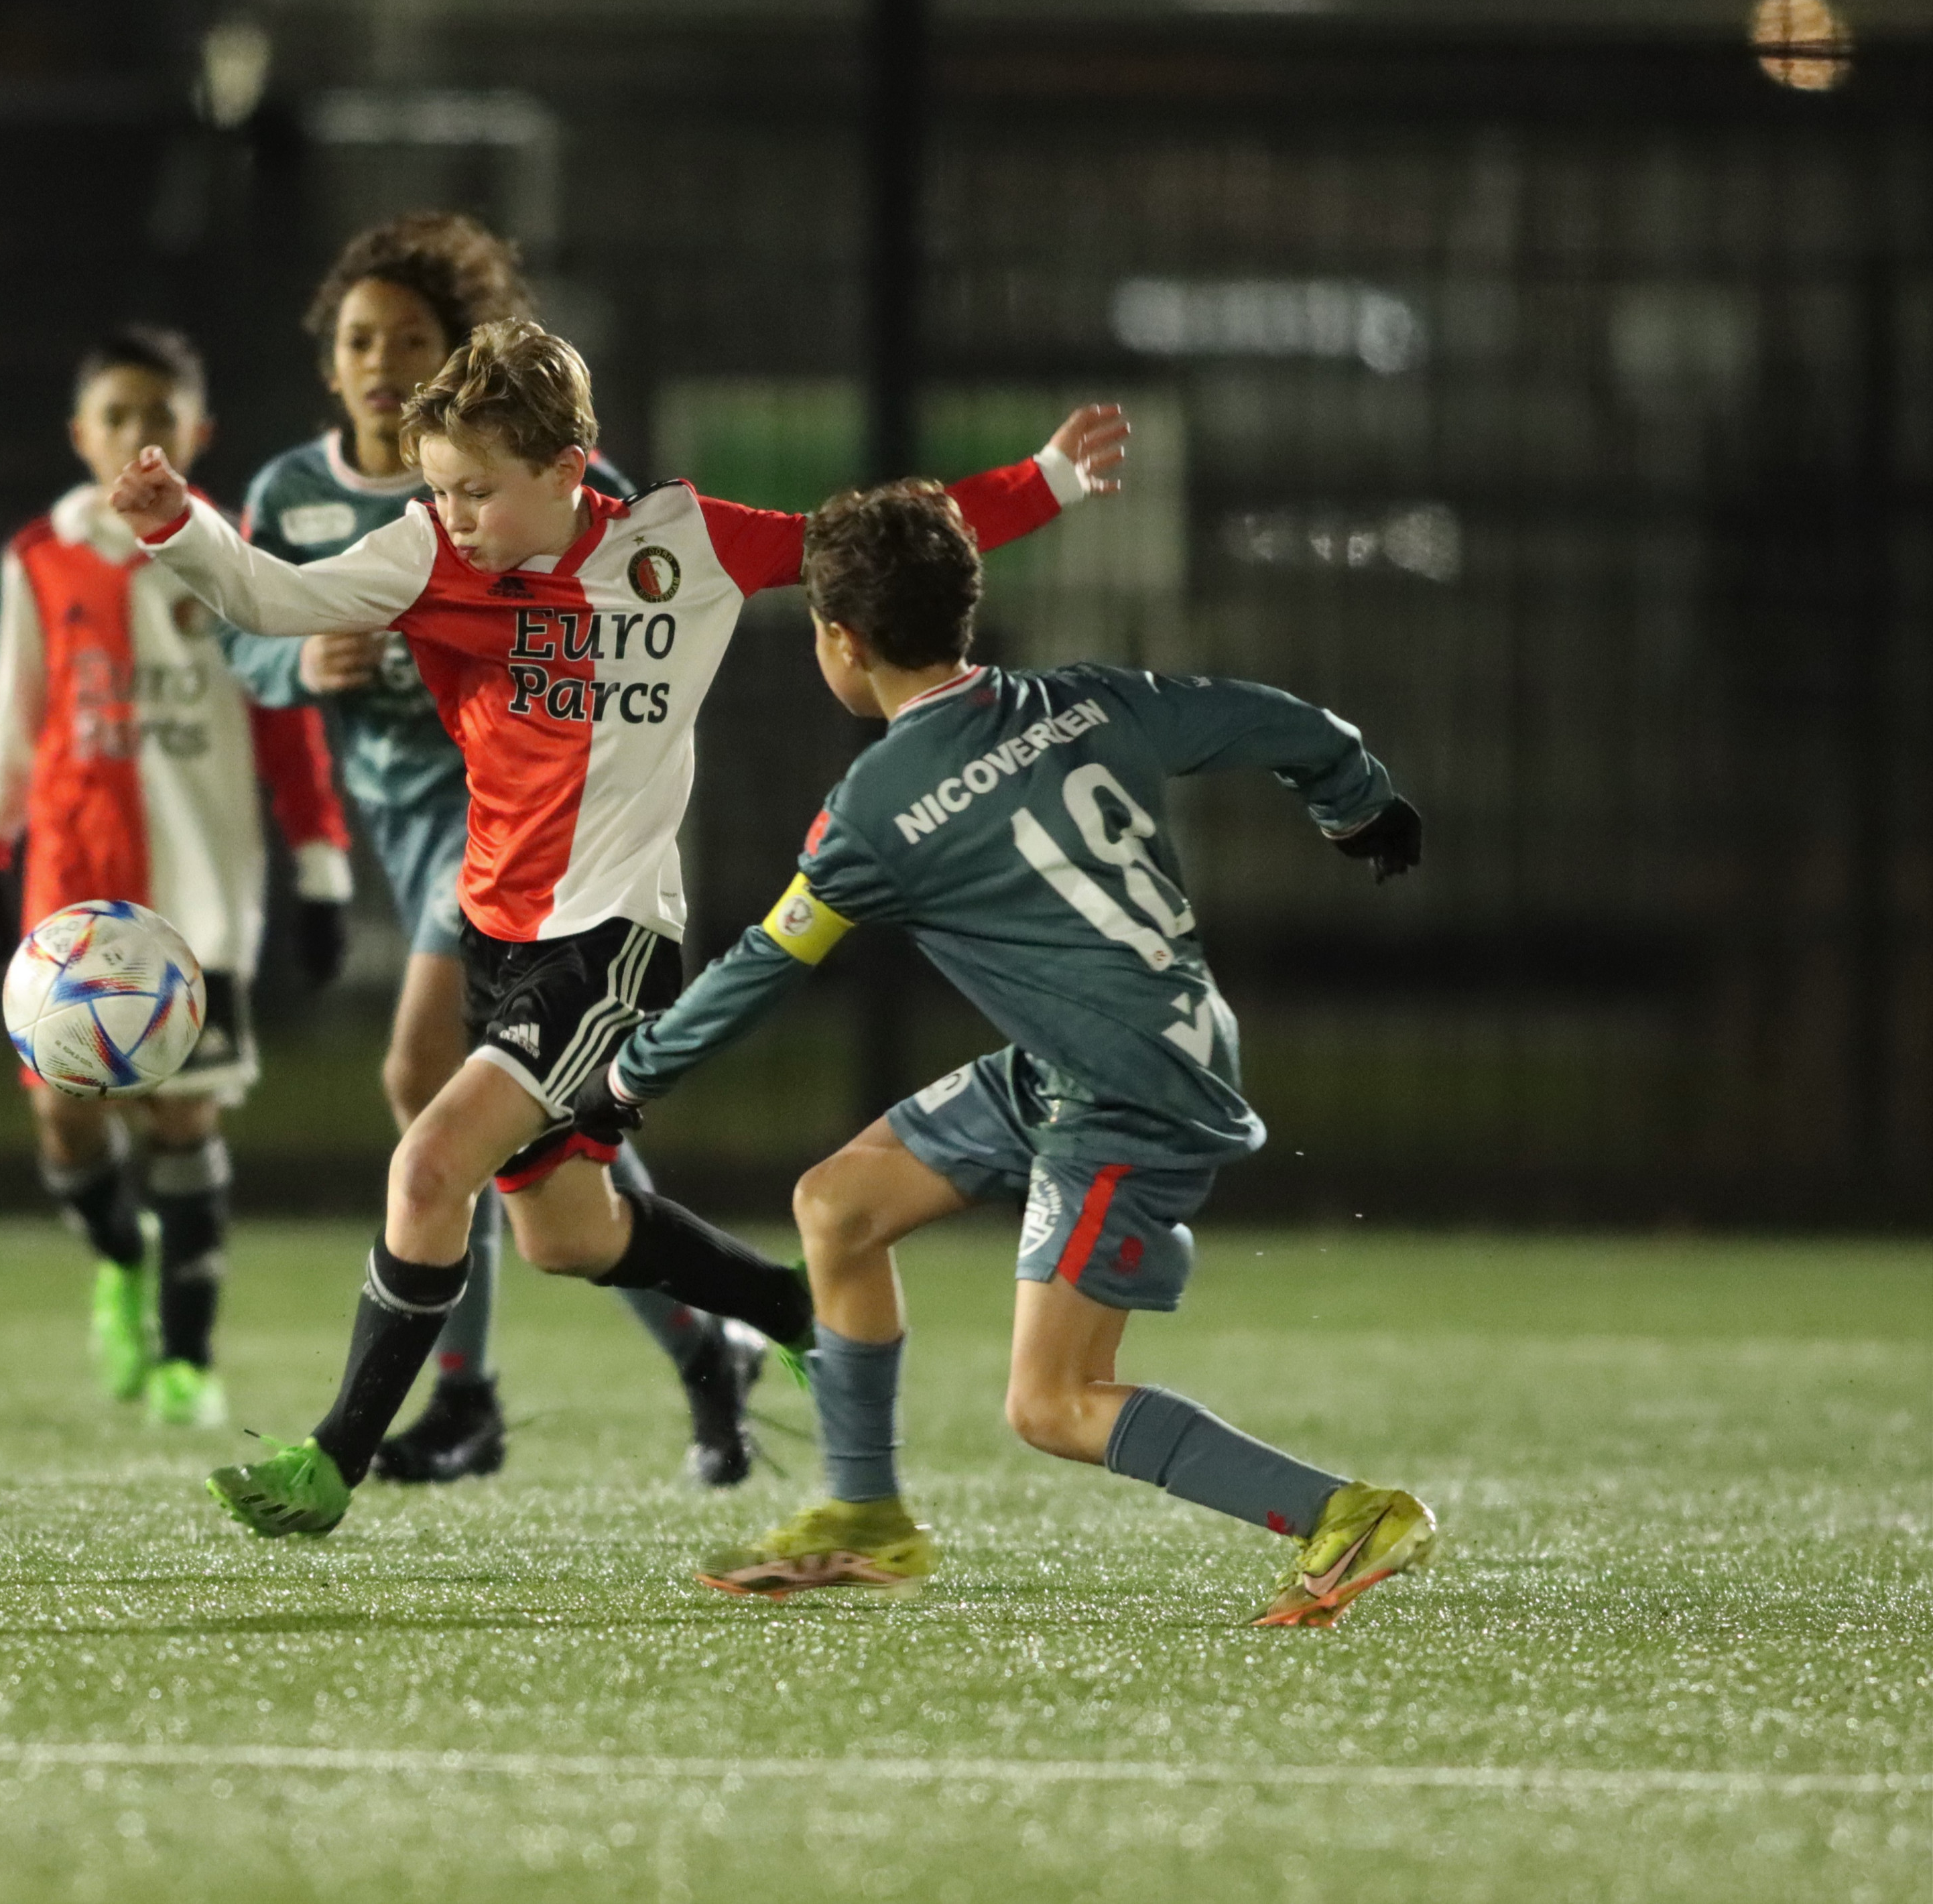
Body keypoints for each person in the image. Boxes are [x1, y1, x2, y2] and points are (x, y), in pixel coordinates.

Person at [109, 318, 1126, 1537]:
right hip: (501, 935)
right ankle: (790, 1310)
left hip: (615, 942)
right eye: (441, 489)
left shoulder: (677, 542)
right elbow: (272, 596)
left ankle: (333, 1461)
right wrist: (178, 523)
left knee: (430, 1167)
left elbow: (866, 552)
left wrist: (1049, 481)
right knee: (566, 1237)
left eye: (480, 489)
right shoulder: (433, 550)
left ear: (567, 467)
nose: (458, 514)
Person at [569, 479, 1436, 1627]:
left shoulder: (873, 809)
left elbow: (764, 965)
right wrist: (1356, 804)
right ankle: (867, 1516)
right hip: (1095, 1054)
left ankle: (1348, 1513)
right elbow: (1282, 722)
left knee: (1054, 1402)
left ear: (842, 640)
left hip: (1127, 1093)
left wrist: (629, 1079)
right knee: (838, 1206)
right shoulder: (1089, 700)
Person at [221, 212, 762, 1488]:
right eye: (361, 338)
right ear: (329, 358)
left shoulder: (533, 490)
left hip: (511, 821)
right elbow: (245, 634)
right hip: (399, 818)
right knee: (538, 1142)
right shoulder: (295, 494)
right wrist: (299, 658)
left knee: (429, 1081)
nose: (381, 362)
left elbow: (636, 597)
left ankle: (460, 1398)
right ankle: (707, 1340)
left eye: (412, 341)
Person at [0, 325, 354, 1429]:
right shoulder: (40, 553)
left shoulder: (226, 553)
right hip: (72, 892)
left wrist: (320, 871)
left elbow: (286, 722)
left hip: (201, 895)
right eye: (119, 416)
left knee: (184, 1117)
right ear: (84, 435)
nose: (141, 434)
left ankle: (186, 1350)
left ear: (198, 433)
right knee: (68, 1127)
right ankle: (117, 1254)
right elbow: (15, 712)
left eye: (161, 416)